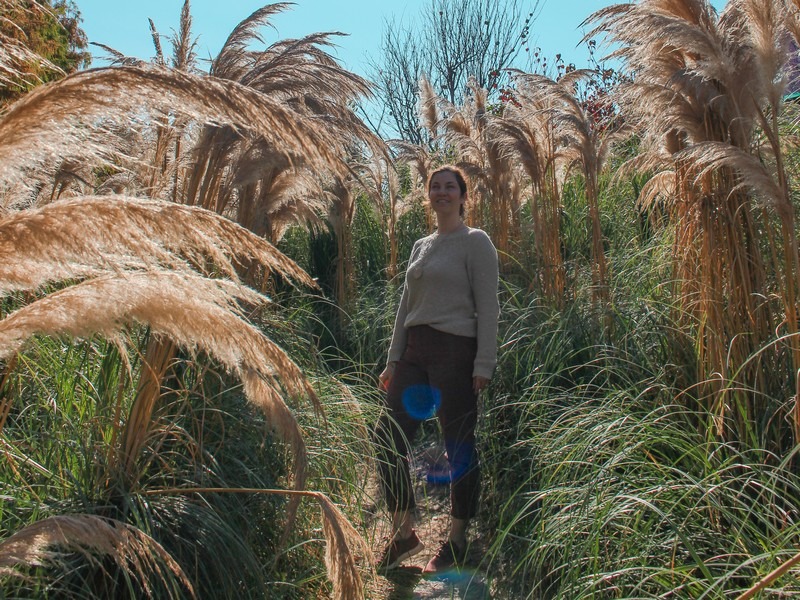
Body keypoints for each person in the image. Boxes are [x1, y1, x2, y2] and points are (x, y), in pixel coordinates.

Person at [373, 165, 500, 576]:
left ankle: (458, 539)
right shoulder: (420, 246)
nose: (442, 192)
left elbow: (489, 308)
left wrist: (484, 362)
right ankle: (404, 530)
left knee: (458, 445)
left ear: (464, 196)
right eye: (435, 187)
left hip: (455, 351)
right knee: (387, 436)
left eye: (450, 187)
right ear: (429, 195)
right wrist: (393, 361)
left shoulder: (475, 242)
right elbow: (404, 311)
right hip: (415, 351)